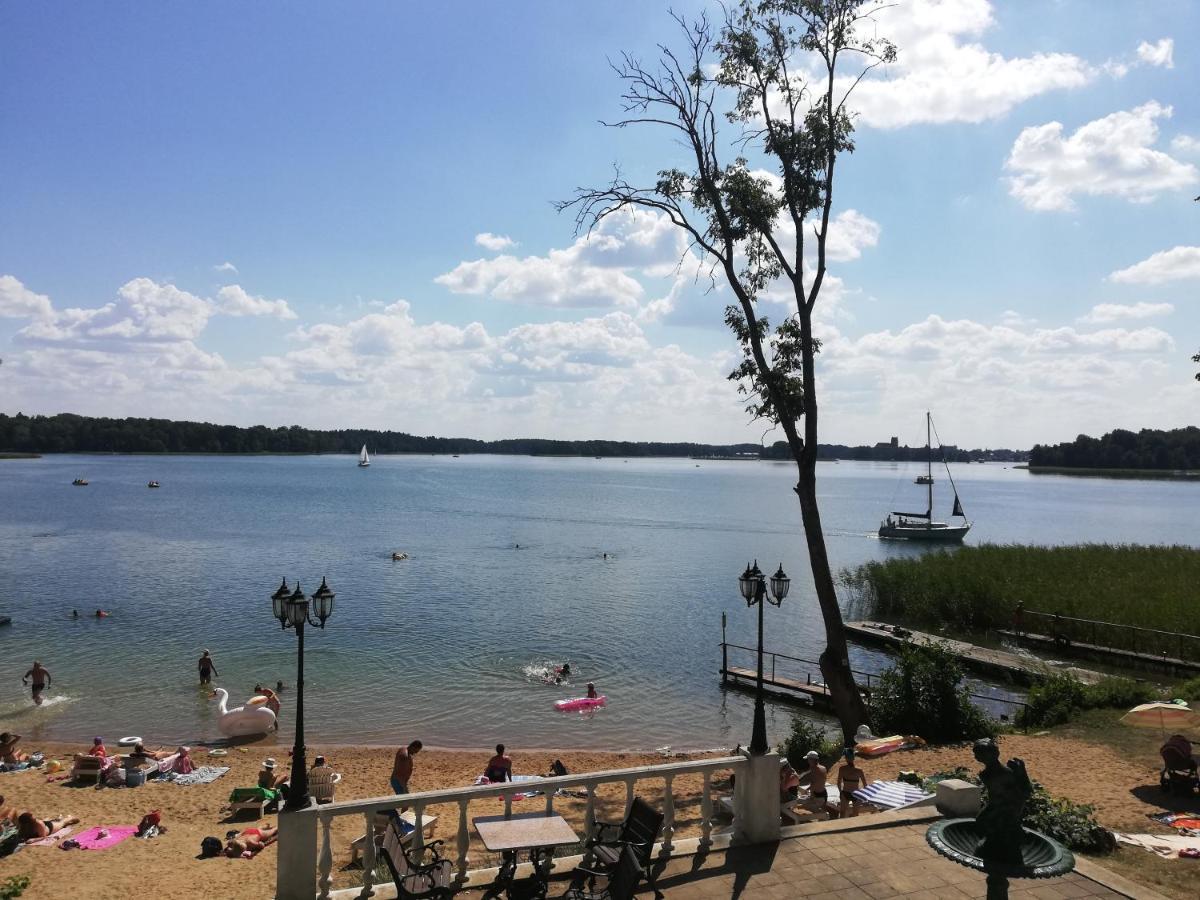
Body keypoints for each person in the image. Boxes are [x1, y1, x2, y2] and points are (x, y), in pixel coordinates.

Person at [837, 747, 869, 817]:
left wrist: (841, 793)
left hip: (846, 793)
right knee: (855, 814)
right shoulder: (859, 770)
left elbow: (838, 783)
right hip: (855, 794)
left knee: (842, 813)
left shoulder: (842, 769)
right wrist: (864, 796)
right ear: (853, 758)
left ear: (846, 758)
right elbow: (865, 785)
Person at [390, 740, 422, 809]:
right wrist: (404, 787)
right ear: (413, 747)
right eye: (416, 751)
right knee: (405, 803)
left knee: (403, 802)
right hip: (398, 781)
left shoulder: (404, 750)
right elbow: (399, 774)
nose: (416, 753)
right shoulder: (404, 756)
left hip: (399, 781)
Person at [797, 750, 829, 816]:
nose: (808, 761)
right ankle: (823, 813)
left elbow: (817, 783)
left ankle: (824, 814)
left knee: (799, 806)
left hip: (818, 797)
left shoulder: (815, 769)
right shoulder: (822, 767)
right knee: (800, 802)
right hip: (822, 794)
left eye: (808, 759)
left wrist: (807, 789)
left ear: (811, 760)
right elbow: (817, 780)